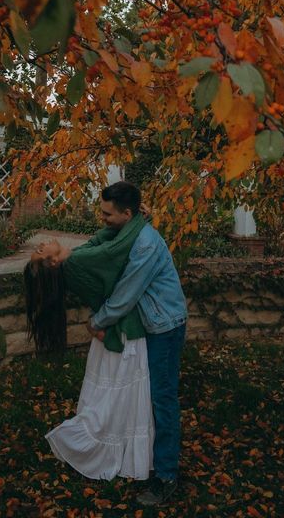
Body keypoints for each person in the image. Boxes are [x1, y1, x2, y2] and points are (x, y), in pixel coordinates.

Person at [24, 209, 155, 481]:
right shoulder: (78, 263)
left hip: (110, 334)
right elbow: (116, 249)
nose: (43, 242)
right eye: (40, 249)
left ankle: (105, 446)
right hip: (124, 334)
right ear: (51, 263)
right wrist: (138, 222)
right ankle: (93, 445)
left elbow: (100, 241)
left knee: (111, 397)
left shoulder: (73, 261)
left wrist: (129, 220)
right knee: (120, 399)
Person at [88, 182, 187, 506]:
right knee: (157, 396)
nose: (102, 218)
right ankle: (149, 461)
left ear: (127, 213)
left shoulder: (144, 243)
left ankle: (167, 477)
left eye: (107, 213)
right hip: (157, 322)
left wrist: (97, 321)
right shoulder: (135, 230)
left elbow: (126, 295)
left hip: (165, 326)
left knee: (163, 398)